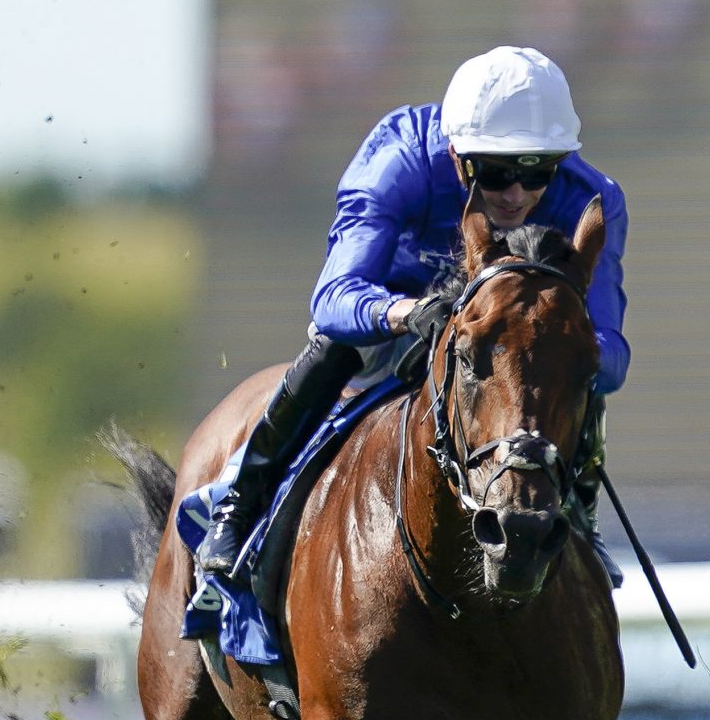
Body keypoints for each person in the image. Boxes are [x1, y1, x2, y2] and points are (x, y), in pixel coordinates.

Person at [192, 45, 630, 586]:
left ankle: (580, 514)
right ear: (455, 154)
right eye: (492, 173)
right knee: (336, 345)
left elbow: (611, 357)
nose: (516, 193)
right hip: (395, 312)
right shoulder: (396, 161)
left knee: (561, 361)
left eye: (536, 170)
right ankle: (240, 502)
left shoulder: (593, 198)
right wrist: (407, 313)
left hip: (499, 334)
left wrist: (571, 342)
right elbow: (332, 300)